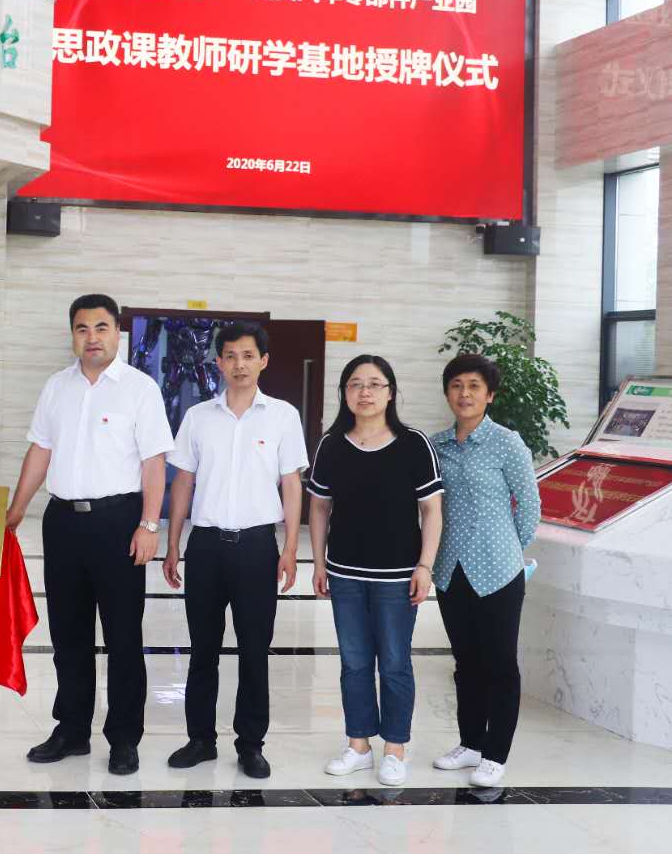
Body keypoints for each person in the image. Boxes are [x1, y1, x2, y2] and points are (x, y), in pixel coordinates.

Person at [6, 293, 173, 776]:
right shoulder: (57, 386)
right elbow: (41, 450)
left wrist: (149, 524)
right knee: (68, 634)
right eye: (82, 328)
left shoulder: (139, 389)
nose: (92, 337)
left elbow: (154, 462)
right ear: (73, 335)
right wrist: (16, 509)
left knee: (123, 637)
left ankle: (123, 738)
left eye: (101, 327)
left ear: (117, 332)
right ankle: (72, 729)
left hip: (118, 523)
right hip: (62, 523)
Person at [163, 321, 306, 779]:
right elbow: (183, 482)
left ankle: (251, 745)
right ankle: (200, 740)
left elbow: (291, 484)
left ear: (263, 360)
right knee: (202, 649)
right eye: (230, 355)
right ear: (218, 362)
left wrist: (290, 547)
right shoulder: (198, 417)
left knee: (254, 651)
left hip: (257, 547)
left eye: (248, 355)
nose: (239, 364)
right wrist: (173, 543)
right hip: (206, 546)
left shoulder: (283, 416)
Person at [309, 354, 443, 787]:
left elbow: (432, 509)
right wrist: (319, 562)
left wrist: (425, 565)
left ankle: (395, 749)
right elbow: (319, 507)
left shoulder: (413, 444)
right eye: (355, 384)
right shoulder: (332, 444)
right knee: (354, 662)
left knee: (395, 663)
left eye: (374, 384)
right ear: (344, 393)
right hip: (345, 573)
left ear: (390, 392)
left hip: (398, 576)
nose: (364, 392)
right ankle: (359, 745)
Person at [428, 353, 541, 789]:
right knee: (466, 662)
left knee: (500, 663)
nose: (465, 394)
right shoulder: (436, 445)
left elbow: (529, 504)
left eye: (474, 386)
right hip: (449, 568)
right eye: (457, 385)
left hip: (498, 570)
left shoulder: (507, 443)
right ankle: (471, 743)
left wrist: (510, 549)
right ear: (447, 393)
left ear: (490, 395)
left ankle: (495, 754)